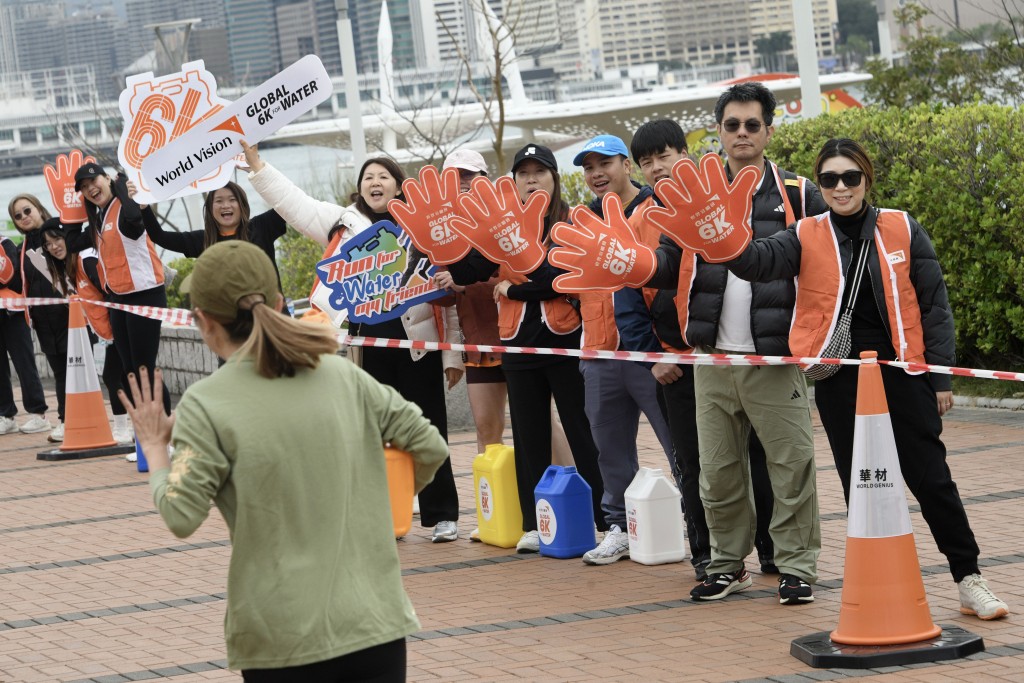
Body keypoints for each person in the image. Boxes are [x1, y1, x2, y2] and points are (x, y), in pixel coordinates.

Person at [122, 240, 449, 680]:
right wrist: (375, 503)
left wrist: (154, 445)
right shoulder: (342, 373)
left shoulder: (206, 403)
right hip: (375, 623)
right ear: (278, 303)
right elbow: (430, 446)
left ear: (203, 321)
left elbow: (180, 514)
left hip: (279, 634)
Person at [725, 137, 1009, 620]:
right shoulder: (805, 233)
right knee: (862, 487)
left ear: (866, 179)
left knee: (932, 480)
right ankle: (878, 586)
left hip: (902, 374)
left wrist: (939, 378)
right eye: (829, 179)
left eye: (850, 177)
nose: (841, 187)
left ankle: (969, 578)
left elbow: (935, 306)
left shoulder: (902, 226)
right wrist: (720, 238)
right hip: (842, 380)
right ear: (820, 185)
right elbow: (755, 262)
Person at [643, 83, 826, 605]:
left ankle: (796, 567)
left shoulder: (798, 195)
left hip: (773, 358)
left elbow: (827, 265)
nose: (742, 134)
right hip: (711, 358)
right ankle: (726, 565)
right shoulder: (691, 192)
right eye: (731, 125)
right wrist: (632, 265)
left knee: (790, 467)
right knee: (718, 471)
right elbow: (669, 263)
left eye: (752, 125)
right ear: (718, 131)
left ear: (769, 130)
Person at [243, 144, 465, 543]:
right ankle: (387, 514)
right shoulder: (343, 222)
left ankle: (443, 514)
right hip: (368, 346)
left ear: (398, 185)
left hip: (418, 346)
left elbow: (444, 296)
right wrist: (258, 167)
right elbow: (295, 204)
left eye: (383, 176)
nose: (375, 182)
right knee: (374, 434)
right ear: (360, 187)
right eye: (368, 177)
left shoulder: (421, 224)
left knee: (429, 427)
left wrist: (452, 356)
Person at [628, 119, 779, 580]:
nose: (657, 167)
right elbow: (628, 292)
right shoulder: (640, 219)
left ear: (685, 154)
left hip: (732, 352)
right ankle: (709, 555)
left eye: (665, 156)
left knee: (758, 455)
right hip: (675, 362)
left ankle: (771, 549)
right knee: (694, 462)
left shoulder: (716, 199)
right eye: (647, 162)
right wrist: (654, 354)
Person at [447, 143, 607, 552]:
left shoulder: (571, 221)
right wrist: (445, 245)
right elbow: (468, 272)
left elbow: (562, 277)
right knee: (528, 436)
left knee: (582, 431)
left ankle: (606, 521)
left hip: (565, 342)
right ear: (514, 181)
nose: (531, 180)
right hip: (516, 344)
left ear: (554, 178)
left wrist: (513, 289)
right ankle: (536, 523)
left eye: (540, 172)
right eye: (523, 173)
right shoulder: (503, 225)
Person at [569, 134, 675, 566]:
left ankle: (699, 526)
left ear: (627, 165)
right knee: (609, 449)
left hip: (651, 353)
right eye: (588, 167)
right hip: (599, 354)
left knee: (679, 445)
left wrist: (661, 349)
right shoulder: (582, 220)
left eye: (605, 163)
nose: (597, 174)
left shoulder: (656, 209)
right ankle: (620, 528)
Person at [69, 162, 171, 416]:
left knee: (144, 369)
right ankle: (146, 430)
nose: (90, 189)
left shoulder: (124, 206)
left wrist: (123, 184)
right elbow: (70, 244)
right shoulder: (98, 219)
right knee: (129, 372)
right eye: (84, 187)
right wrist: (70, 212)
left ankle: (167, 428)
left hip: (144, 296)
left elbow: (135, 220)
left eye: (94, 181)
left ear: (107, 178)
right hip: (118, 300)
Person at [38, 219, 131, 445]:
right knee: (119, 376)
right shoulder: (68, 267)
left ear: (68, 237)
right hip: (106, 330)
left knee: (115, 375)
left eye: (57, 239)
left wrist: (116, 326)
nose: (53, 247)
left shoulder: (86, 259)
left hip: (120, 324)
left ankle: (125, 428)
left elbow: (111, 292)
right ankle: (129, 428)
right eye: (48, 244)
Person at [139, 180, 287, 279]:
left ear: (242, 205)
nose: (225, 205)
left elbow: (287, 202)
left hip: (272, 314)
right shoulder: (204, 240)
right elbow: (159, 236)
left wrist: (256, 169)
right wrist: (144, 206)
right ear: (210, 208)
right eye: (219, 201)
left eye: (232, 200)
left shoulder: (261, 227)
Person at [5, 195, 59, 438]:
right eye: (18, 216)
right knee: (59, 371)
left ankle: (45, 415)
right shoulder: (21, 247)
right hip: (40, 317)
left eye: (27, 211)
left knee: (67, 369)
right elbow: (20, 281)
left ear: (38, 208)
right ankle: (7, 415)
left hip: (64, 314)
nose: (24, 217)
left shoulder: (57, 233)